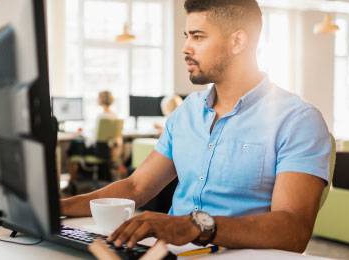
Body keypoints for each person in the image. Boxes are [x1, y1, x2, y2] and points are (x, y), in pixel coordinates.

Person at [61, 0, 331, 253]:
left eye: (198, 37)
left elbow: (294, 229)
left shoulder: (297, 120)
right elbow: (136, 187)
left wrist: (196, 226)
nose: (185, 48)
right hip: (168, 253)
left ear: (237, 41)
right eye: (186, 36)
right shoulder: (187, 111)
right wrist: (55, 207)